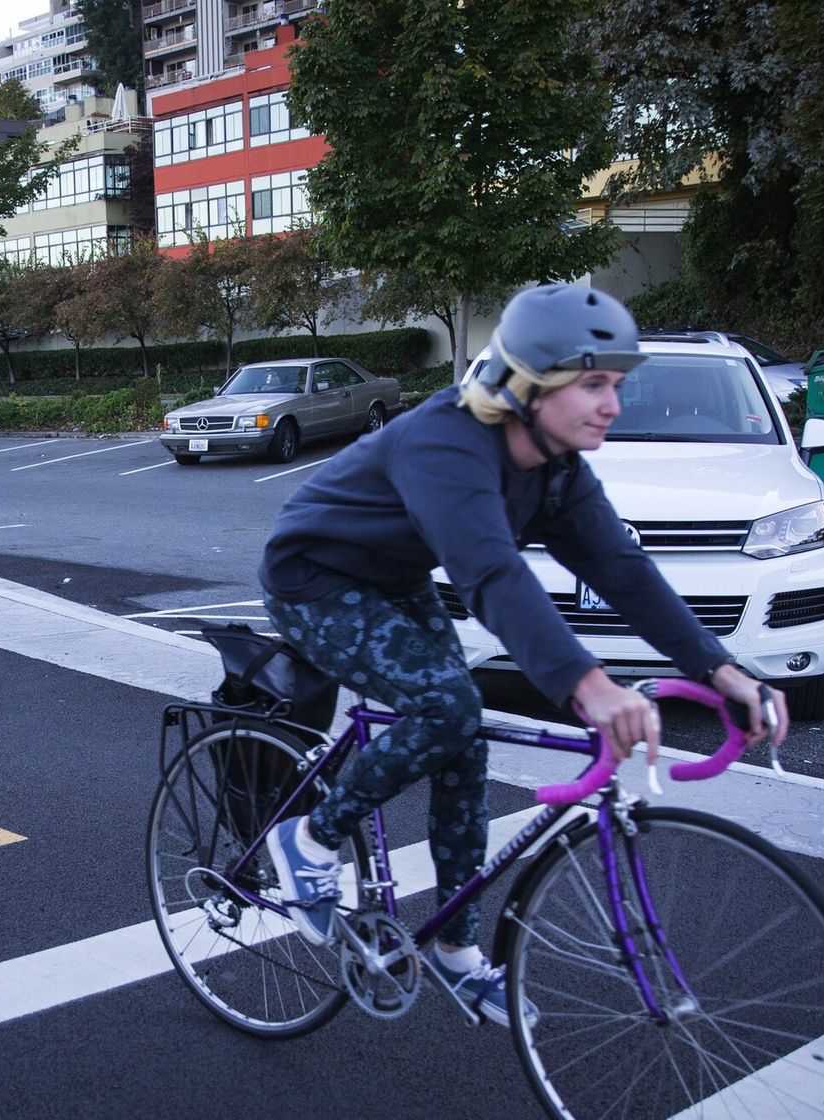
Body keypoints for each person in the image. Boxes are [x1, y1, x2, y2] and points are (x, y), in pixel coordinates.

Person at [255, 282, 785, 1024]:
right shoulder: (444, 442)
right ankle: (309, 838)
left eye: (617, 386)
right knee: (448, 703)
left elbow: (624, 570)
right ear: (530, 384)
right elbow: (493, 576)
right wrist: (590, 687)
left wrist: (724, 671)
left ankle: (457, 952)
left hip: (393, 577)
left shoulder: (556, 465)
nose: (613, 404)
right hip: (313, 577)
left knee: (461, 738)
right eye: (594, 383)